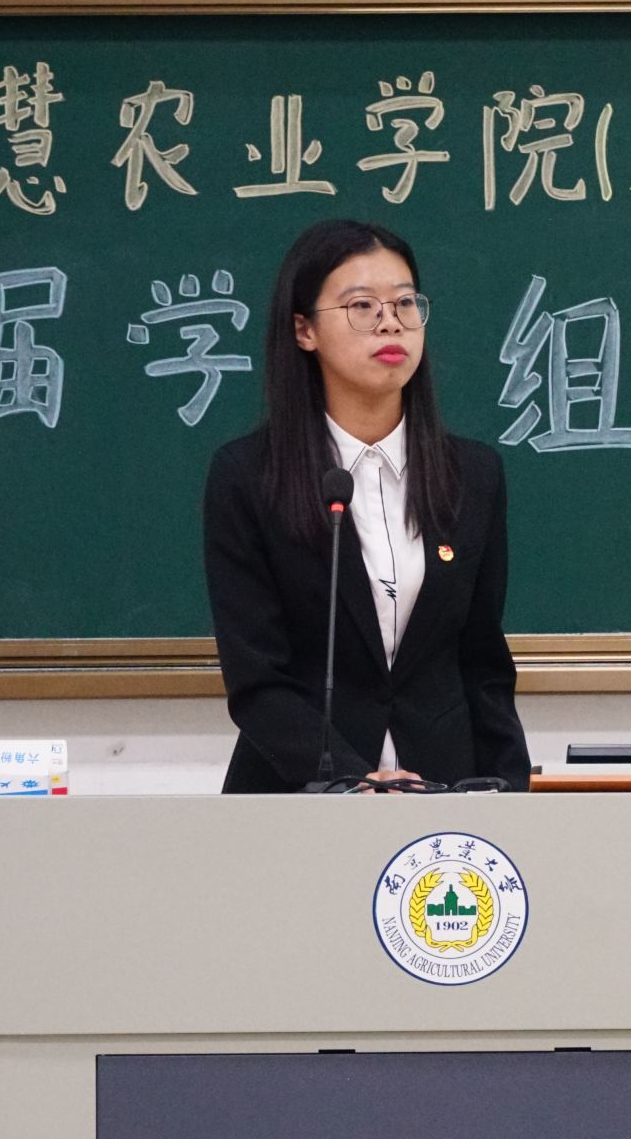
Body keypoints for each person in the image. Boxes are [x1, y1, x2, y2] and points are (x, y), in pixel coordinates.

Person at [203, 220, 530, 793]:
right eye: (361, 306)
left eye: (405, 303)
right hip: (299, 796)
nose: (390, 321)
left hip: (446, 794)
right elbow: (258, 680)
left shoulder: (473, 475)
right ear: (304, 330)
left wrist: (508, 787)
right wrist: (354, 781)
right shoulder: (249, 476)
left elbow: (482, 662)